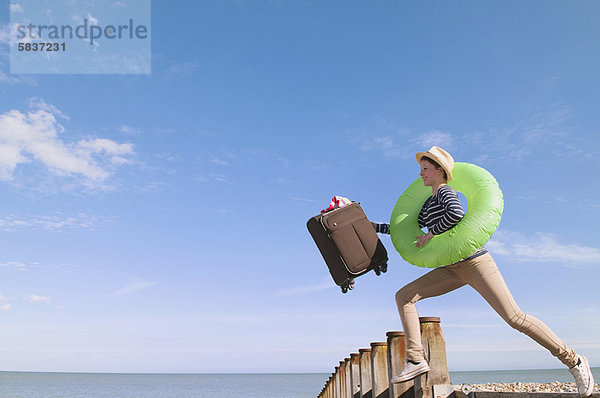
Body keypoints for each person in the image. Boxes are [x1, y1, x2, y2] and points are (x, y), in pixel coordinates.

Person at [372, 146, 595, 397]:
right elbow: (403, 229)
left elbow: (457, 213)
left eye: (425, 169)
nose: (421, 174)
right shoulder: (428, 203)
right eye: (420, 169)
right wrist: (372, 227)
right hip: (449, 268)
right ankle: (415, 359)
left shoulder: (447, 192)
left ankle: (574, 361)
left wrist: (433, 234)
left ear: (439, 171)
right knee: (404, 296)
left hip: (474, 262)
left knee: (515, 318)